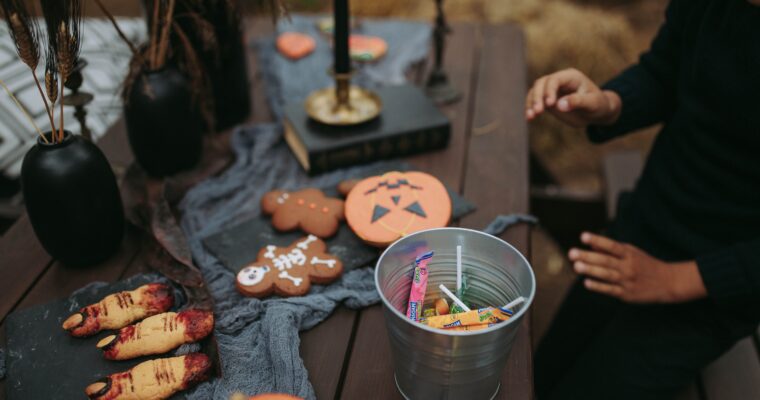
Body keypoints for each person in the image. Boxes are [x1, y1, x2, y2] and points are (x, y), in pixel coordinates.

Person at [526, 0, 760, 399]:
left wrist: (674, 281)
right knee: (536, 376)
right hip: (646, 224)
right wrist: (609, 104)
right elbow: (666, 70)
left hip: (720, 286)